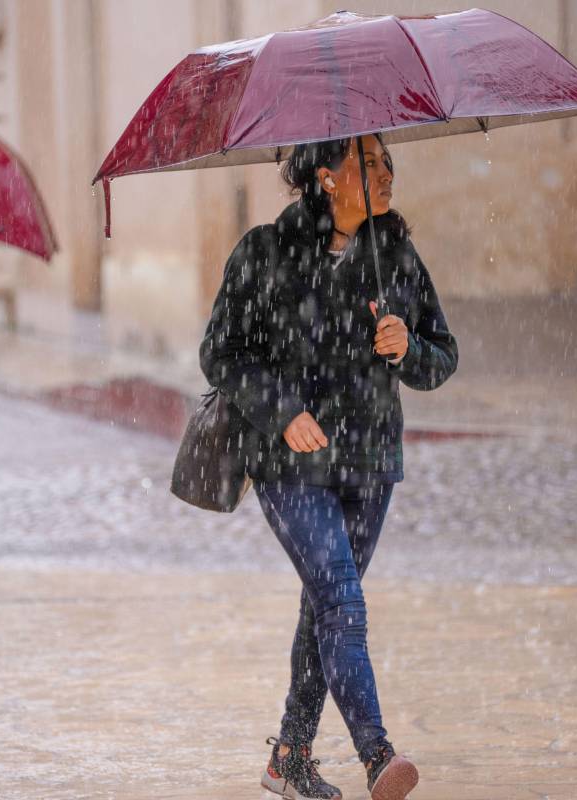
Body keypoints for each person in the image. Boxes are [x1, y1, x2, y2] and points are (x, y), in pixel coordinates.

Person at [200, 134, 458, 800]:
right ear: (326, 177)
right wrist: (283, 410)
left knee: (326, 606)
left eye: (385, 157)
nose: (385, 169)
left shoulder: (394, 254)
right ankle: (378, 755)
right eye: (367, 161)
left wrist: (407, 349)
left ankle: (289, 757)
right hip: (291, 464)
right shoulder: (263, 253)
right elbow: (221, 355)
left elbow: (441, 355)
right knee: (343, 601)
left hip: (371, 465)